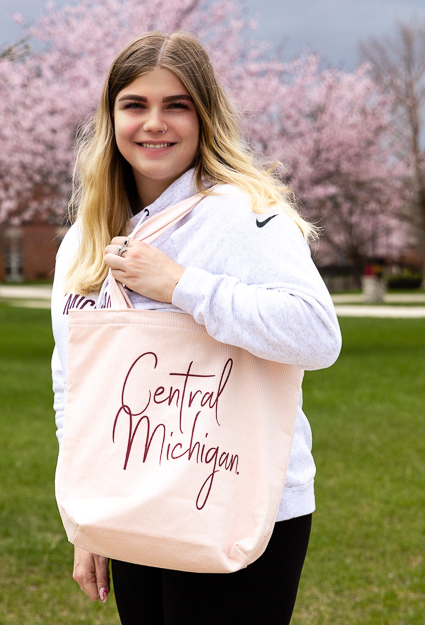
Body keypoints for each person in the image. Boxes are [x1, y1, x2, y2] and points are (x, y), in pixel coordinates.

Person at [51, 30, 341, 625]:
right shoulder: (84, 239)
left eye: (175, 105)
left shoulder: (242, 215)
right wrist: (87, 511)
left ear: (204, 116)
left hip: (235, 499)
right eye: (135, 105)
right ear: (111, 119)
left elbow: (317, 334)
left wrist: (180, 284)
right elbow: (77, 383)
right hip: (132, 500)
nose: (154, 123)